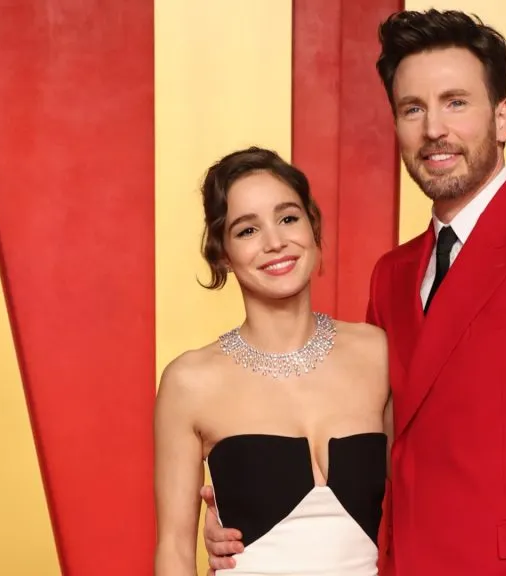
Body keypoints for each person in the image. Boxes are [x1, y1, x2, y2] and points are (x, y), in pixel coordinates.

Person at [202, 9, 506, 576]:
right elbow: (376, 456)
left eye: (456, 102)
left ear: (502, 118)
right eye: (413, 109)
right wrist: (257, 524)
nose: (434, 128)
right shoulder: (392, 274)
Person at [153, 147, 391, 576]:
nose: (275, 242)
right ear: (221, 253)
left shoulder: (378, 354)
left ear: (312, 225)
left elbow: (425, 500)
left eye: (288, 218)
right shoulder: (190, 382)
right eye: (247, 230)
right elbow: (173, 548)